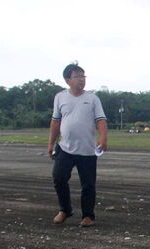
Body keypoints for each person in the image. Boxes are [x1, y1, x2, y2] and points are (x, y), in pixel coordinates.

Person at [47, 63, 107, 227]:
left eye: (83, 76)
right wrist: (51, 143)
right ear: (68, 80)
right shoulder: (60, 97)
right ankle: (65, 210)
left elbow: (101, 120)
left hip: (87, 149)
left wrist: (103, 138)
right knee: (59, 178)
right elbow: (56, 121)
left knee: (88, 184)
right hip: (65, 147)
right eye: (77, 76)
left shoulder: (92, 98)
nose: (82, 80)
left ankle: (88, 216)